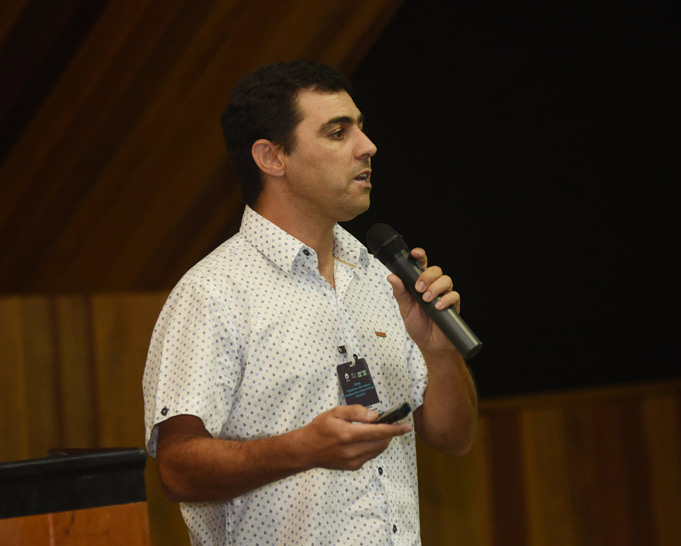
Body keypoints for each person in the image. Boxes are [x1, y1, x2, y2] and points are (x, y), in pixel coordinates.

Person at [143, 60, 478, 545]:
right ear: (271, 157)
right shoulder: (214, 292)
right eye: (338, 133)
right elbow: (176, 469)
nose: (368, 147)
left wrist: (439, 351)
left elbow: (454, 438)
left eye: (361, 128)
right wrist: (302, 448)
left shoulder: (380, 277)